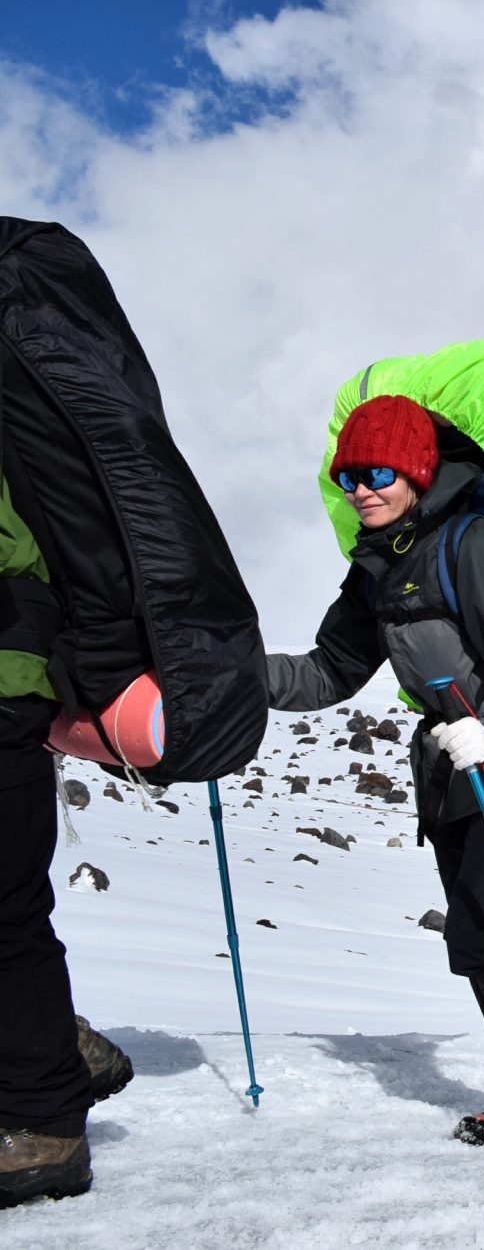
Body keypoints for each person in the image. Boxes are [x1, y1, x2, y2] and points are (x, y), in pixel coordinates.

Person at [266, 395, 484, 1152]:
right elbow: (329, 672)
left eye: (378, 471)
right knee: (470, 937)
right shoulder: (376, 567)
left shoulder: (473, 545)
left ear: (418, 471)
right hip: (451, 773)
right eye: (348, 474)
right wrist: (231, 678)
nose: (361, 487)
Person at [0, 475, 135, 1208]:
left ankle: (50, 1125)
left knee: (6, 907)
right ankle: (54, 1043)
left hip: (5, 681)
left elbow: (13, 548)